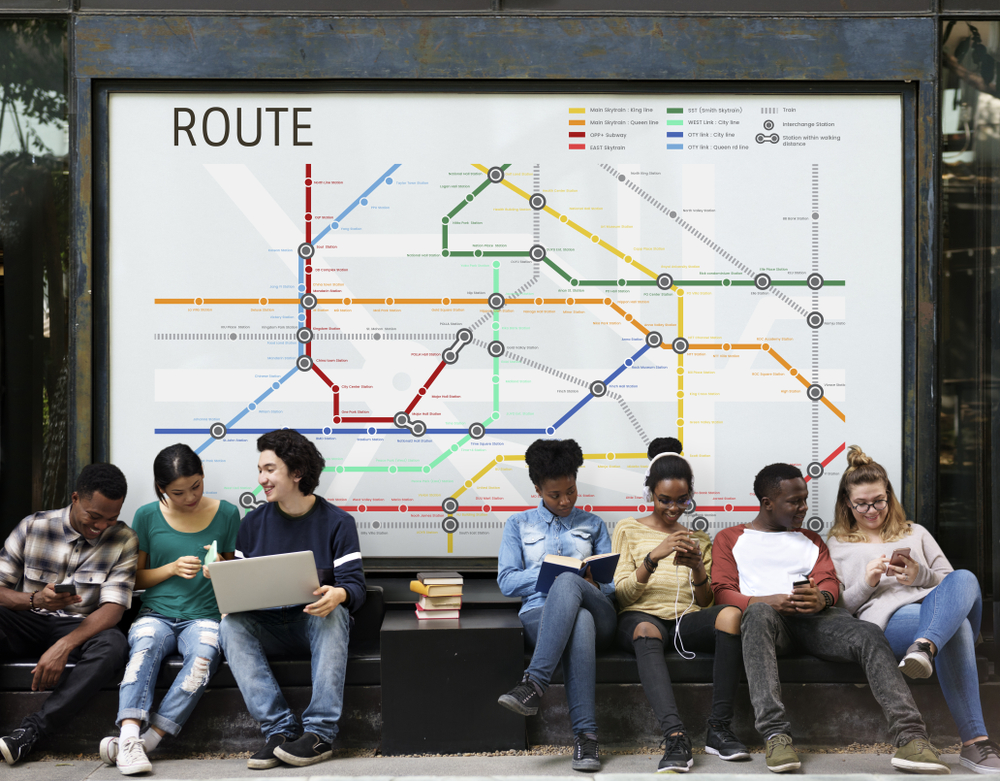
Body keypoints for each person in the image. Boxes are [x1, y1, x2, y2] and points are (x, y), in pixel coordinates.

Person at [712, 462, 948, 775]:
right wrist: (763, 600)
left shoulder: (812, 539)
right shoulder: (730, 538)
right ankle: (776, 735)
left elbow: (828, 583)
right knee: (755, 614)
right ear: (767, 503)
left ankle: (912, 738)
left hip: (815, 621)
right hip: (767, 624)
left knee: (868, 634)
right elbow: (722, 591)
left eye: (805, 499)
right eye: (794, 501)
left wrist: (820, 598)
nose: (803, 507)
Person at [828, 446, 999, 774]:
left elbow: (954, 584)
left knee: (966, 576)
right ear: (847, 504)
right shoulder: (838, 544)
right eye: (861, 503)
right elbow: (840, 609)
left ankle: (925, 646)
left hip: (936, 610)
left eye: (878, 500)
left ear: (889, 496)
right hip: (891, 621)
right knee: (958, 629)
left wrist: (919, 575)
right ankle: (975, 743)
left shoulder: (914, 531)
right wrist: (867, 582)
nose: (871, 510)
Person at [218, 429, 366, 770]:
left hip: (313, 623)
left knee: (334, 613)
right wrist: (226, 586)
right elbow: (240, 590)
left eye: (269, 469)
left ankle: (319, 735)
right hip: (267, 625)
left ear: (296, 472)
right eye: (260, 470)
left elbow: (355, 586)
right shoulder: (252, 524)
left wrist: (339, 593)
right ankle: (280, 731)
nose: (261, 479)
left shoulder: (338, 523)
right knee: (230, 625)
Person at [98, 444, 241, 775]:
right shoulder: (147, 515)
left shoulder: (228, 514)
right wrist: (172, 568)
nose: (190, 497)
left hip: (205, 616)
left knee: (203, 659)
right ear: (161, 488)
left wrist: (219, 566)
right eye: (178, 492)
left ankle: (147, 742)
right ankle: (130, 734)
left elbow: (233, 578)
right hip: (156, 614)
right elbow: (133, 580)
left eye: (196, 486)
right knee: (143, 649)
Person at [612, 437, 748, 772]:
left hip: (686, 620)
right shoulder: (627, 529)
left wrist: (699, 569)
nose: (674, 508)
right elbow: (622, 595)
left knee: (731, 615)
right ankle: (675, 736)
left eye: (682, 500)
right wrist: (653, 557)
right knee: (646, 628)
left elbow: (707, 602)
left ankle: (718, 729)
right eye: (664, 500)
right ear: (650, 495)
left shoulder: (699, 539)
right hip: (641, 618)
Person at [0, 464, 138, 765]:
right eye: (94, 516)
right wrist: (35, 599)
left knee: (114, 645)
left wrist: (64, 645)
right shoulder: (33, 526)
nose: (101, 526)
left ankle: (30, 733)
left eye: (111, 518)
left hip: (80, 628)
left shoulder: (124, 539)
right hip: (28, 620)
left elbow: (113, 609)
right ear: (75, 498)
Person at [497, 438, 616, 773]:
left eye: (572, 491)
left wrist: (585, 580)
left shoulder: (593, 524)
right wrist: (551, 567)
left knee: (571, 587)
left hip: (600, 612)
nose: (565, 501)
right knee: (577, 620)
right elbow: (507, 582)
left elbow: (611, 588)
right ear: (537, 489)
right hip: (541, 615)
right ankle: (586, 739)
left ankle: (533, 684)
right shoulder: (517, 525)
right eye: (555, 495)